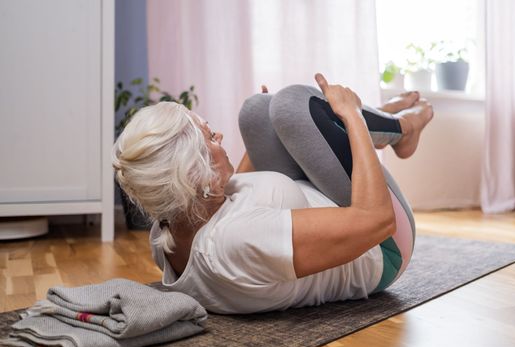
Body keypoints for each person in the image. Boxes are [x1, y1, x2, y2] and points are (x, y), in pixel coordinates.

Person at [112, 73, 433, 314]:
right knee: (294, 105)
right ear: (198, 176)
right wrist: (353, 116)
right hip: (382, 245)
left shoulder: (169, 231)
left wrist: (260, 129)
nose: (219, 135)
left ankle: (385, 115)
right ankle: (405, 126)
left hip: (317, 195)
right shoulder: (237, 242)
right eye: (210, 137)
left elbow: (242, 199)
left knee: (257, 110)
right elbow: (376, 220)